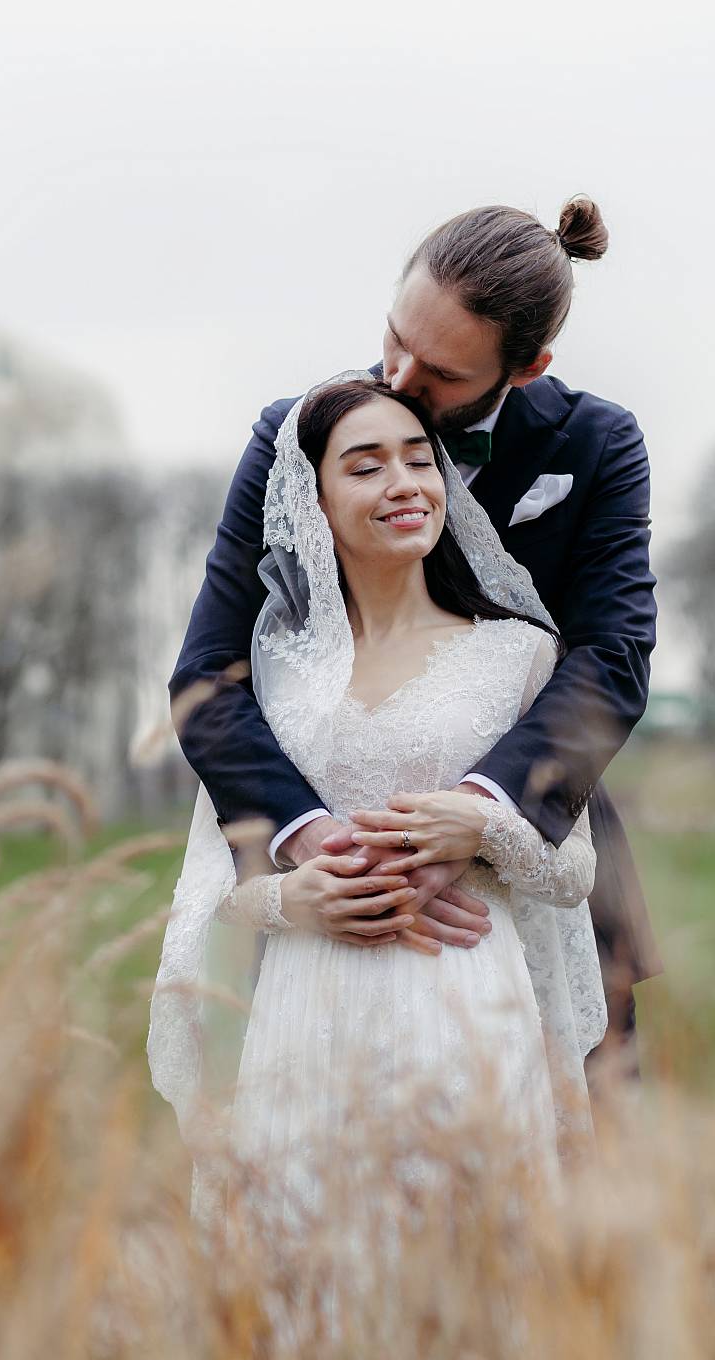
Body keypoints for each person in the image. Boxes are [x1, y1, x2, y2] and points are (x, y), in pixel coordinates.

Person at [167, 196, 660, 1082]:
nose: (397, 380)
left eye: (438, 373)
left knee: (583, 1196)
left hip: (536, 859)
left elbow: (611, 659)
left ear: (528, 367)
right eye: (395, 336)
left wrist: (484, 818)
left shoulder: (598, 444)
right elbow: (209, 673)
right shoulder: (294, 439)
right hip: (330, 908)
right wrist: (314, 844)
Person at [148, 376, 607, 1226]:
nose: (404, 484)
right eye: (365, 467)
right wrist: (294, 897)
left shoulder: (521, 655)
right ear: (310, 503)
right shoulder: (276, 677)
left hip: (470, 1006)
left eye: (418, 460)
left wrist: (483, 827)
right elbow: (222, 886)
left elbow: (572, 869)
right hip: (307, 1015)